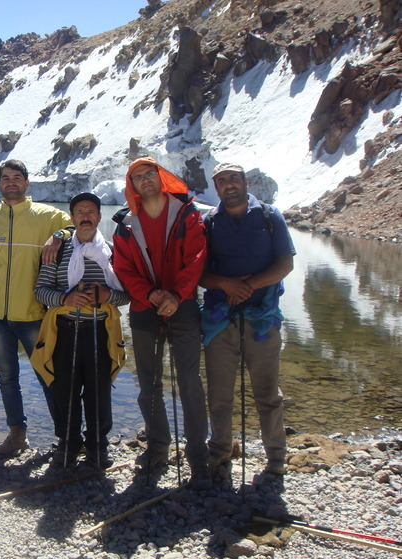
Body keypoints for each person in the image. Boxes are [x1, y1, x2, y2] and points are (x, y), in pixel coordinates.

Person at [112, 157, 211, 488]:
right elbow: (123, 269)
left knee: (189, 381)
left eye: (149, 173)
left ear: (161, 175)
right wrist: (152, 294)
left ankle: (197, 454)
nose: (145, 180)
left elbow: (197, 257)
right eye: (137, 177)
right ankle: (158, 448)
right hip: (145, 307)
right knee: (149, 384)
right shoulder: (126, 224)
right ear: (133, 185)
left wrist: (176, 295)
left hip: (182, 306)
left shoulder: (186, 213)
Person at [199, 162, 295, 476]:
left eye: (234, 179)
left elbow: (285, 264)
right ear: (216, 187)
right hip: (220, 321)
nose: (229, 185)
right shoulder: (209, 223)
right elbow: (199, 273)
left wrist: (248, 286)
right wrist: (226, 285)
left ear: (245, 182)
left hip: (263, 320)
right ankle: (221, 451)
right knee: (219, 393)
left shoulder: (270, 217)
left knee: (267, 393)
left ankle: (276, 456)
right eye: (222, 180)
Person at [32, 193, 129, 470]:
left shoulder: (112, 252)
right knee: (65, 390)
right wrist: (65, 299)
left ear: (99, 217)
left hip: (101, 330)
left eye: (90, 211)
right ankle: (68, 441)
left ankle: (98, 443)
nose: (85, 216)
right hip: (65, 330)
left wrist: (107, 294)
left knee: (99, 390)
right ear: (72, 218)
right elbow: (41, 291)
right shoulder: (58, 251)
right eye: (79, 212)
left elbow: (127, 296)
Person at [0, 159, 72, 455]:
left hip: (33, 314)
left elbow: (80, 223)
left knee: (47, 375)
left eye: (17, 177)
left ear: (27, 183)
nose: (11, 182)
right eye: (5, 178)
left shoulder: (47, 215)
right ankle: (17, 435)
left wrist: (58, 236)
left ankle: (66, 436)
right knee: (6, 376)